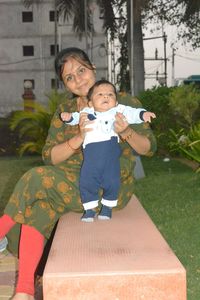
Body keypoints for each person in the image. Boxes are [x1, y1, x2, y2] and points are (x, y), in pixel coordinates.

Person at [0, 47, 156, 300]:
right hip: (70, 182)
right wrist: (78, 137)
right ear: (66, 84)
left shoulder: (121, 101)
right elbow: (50, 156)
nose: (78, 79)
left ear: (93, 68)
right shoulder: (66, 112)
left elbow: (149, 148)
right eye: (70, 77)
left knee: (36, 178)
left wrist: (126, 131)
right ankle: (24, 291)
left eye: (81, 70)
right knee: (39, 205)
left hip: (110, 186)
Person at [60, 79, 156, 221]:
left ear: (116, 102)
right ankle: (89, 210)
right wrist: (68, 117)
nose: (106, 97)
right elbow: (75, 118)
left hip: (110, 156)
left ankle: (107, 208)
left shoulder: (117, 112)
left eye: (110, 95)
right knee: (87, 182)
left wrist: (143, 115)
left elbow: (132, 113)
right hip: (91, 158)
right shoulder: (86, 112)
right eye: (100, 94)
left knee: (112, 182)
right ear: (91, 103)